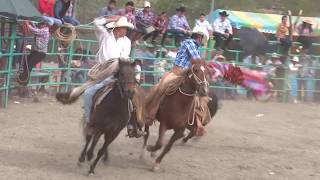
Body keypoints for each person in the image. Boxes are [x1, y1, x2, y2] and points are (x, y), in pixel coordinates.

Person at [146, 26, 209, 135]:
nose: (201, 41)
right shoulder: (190, 43)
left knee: (197, 95)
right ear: (199, 37)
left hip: (187, 75)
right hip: (177, 72)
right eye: (201, 38)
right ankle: (150, 114)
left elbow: (198, 65)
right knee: (162, 88)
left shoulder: (195, 46)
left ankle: (196, 123)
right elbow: (197, 60)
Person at [17, 20, 50, 85]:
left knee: (29, 64)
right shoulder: (42, 29)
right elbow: (35, 28)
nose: (39, 25)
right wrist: (30, 22)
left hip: (40, 53)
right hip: (37, 52)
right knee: (27, 62)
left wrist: (28, 24)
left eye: (41, 24)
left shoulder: (45, 31)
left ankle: (23, 80)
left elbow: (36, 31)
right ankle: (24, 80)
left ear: (44, 25)